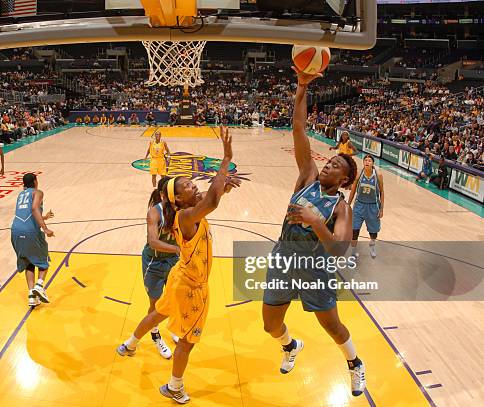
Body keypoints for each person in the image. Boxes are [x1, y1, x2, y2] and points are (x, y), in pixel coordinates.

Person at [262, 68, 365, 397]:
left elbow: (340, 251)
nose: (330, 165)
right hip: (283, 258)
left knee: (332, 326)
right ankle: (290, 346)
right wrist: (301, 88)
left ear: (345, 181)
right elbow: (299, 128)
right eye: (331, 161)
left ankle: (355, 364)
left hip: (315, 270)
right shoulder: (307, 175)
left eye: (337, 166)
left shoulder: (340, 209)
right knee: (270, 325)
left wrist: (315, 221)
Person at [117, 127, 239, 404]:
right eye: (187, 186)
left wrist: (223, 187)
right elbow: (211, 200)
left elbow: (211, 198)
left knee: (159, 313)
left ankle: (130, 344)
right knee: (186, 341)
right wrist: (226, 158)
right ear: (178, 199)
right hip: (191, 286)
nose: (194, 185)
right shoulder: (184, 216)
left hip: (179, 275)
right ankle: (175, 386)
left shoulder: (187, 211)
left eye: (191, 182)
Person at [141, 176, 181, 359]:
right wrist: (178, 248)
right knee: (156, 304)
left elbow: (205, 199)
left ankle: (172, 327)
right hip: (154, 263)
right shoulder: (154, 213)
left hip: (173, 261)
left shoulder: (180, 209)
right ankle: (155, 335)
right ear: (165, 195)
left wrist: (222, 189)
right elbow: (153, 242)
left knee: (173, 298)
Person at [11, 173, 55, 307]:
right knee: (44, 261)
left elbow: (27, 213)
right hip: (30, 232)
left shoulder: (21, 195)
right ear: (35, 181)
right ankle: (39, 286)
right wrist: (45, 228)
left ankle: (31, 296)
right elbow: (34, 208)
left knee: (29, 262)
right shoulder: (38, 192)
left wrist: (44, 217)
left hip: (15, 231)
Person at [347, 154, 384, 259]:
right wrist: (348, 204)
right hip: (359, 205)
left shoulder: (378, 175)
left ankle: (372, 245)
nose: (367, 162)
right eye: (365, 160)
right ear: (363, 162)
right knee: (354, 231)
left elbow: (382, 192)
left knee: (373, 233)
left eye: (369, 161)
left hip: (373, 207)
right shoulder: (359, 174)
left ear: (373, 164)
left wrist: (381, 209)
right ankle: (353, 252)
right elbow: (353, 189)